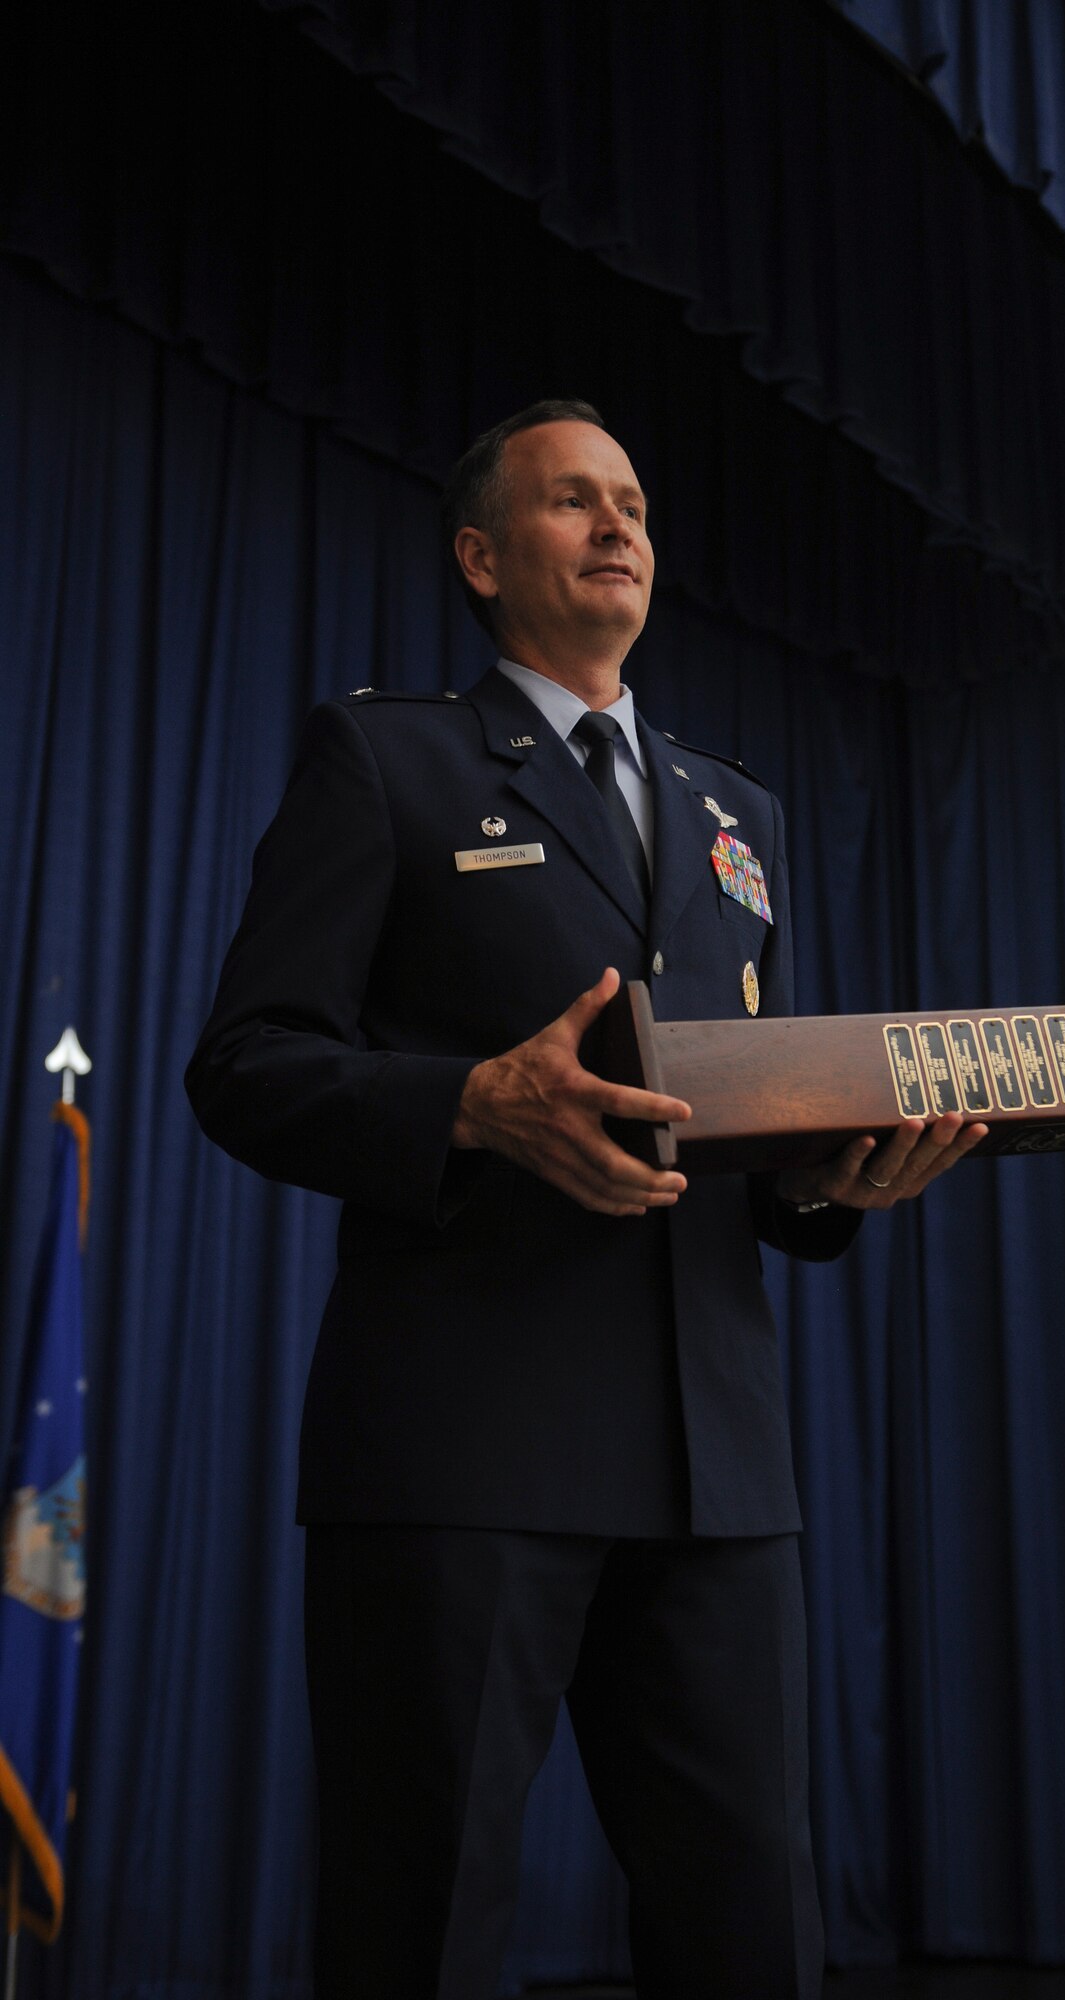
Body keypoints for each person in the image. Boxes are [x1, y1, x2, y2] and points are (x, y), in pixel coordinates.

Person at [186, 399, 985, 2000]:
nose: (618, 525)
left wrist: (835, 1181)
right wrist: (472, 1104)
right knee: (421, 1931)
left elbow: (741, 1127)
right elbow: (248, 1067)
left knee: (754, 1937)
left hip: (717, 1470)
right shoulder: (388, 759)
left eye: (630, 500)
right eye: (571, 502)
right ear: (483, 557)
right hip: (463, 1450)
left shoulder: (735, 813)